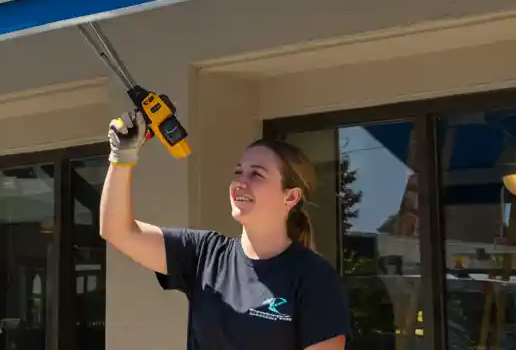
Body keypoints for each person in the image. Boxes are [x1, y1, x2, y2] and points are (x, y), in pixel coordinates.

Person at [100, 110, 351, 349]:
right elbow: (118, 231)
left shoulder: (315, 278)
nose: (240, 182)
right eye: (238, 172)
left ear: (291, 197)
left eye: (257, 175)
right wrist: (122, 157)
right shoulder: (203, 254)